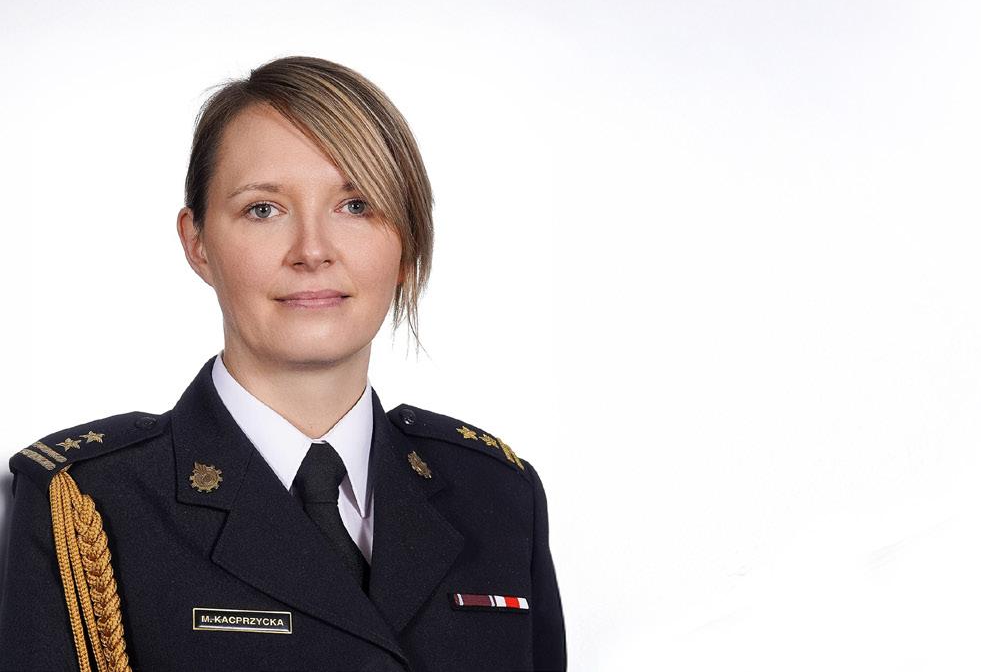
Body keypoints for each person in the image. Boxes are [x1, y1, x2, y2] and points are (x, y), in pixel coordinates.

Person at [0, 56, 567, 671]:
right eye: (263, 209)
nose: (312, 252)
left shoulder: (497, 495)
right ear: (197, 242)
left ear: (407, 244)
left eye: (357, 205)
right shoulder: (87, 503)